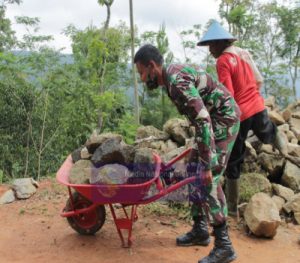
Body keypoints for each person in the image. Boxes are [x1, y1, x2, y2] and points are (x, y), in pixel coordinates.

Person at [134, 44, 240, 263]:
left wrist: (208, 163)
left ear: (152, 66)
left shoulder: (176, 81)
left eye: (142, 73)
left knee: (207, 178)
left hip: (224, 120)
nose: (142, 79)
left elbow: (202, 119)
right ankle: (200, 230)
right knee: (194, 167)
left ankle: (224, 246)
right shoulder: (169, 79)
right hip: (213, 120)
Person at [197, 20, 288, 217]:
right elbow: (258, 79)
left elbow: (228, 93)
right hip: (257, 105)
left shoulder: (222, 61)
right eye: (209, 46)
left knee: (234, 158)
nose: (210, 49)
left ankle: (231, 208)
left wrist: (218, 114)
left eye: (212, 45)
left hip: (241, 113)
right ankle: (280, 140)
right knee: (266, 132)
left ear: (221, 42)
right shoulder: (243, 53)